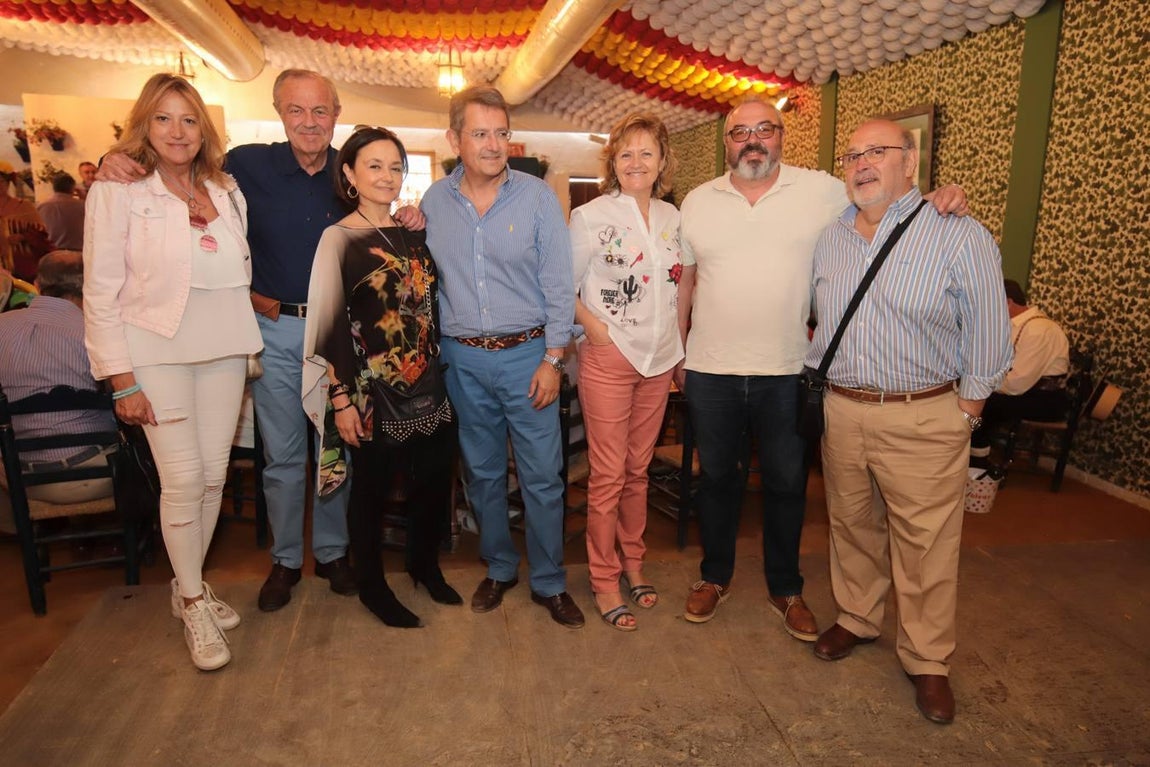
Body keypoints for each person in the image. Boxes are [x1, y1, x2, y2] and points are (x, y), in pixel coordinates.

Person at [98, 70, 424, 611]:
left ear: (336, 115)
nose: (309, 122)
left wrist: (411, 214)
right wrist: (118, 157)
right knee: (284, 455)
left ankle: (334, 552)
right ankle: (286, 560)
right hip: (272, 332)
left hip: (339, 337)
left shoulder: (350, 172)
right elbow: (178, 168)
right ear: (278, 111)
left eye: (320, 111)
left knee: (334, 446)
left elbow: (380, 220)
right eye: (296, 110)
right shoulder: (243, 166)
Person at [677, 98, 968, 639]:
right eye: (740, 132)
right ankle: (713, 577)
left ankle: (786, 587)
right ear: (727, 143)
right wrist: (679, 353)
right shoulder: (696, 201)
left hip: (792, 371)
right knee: (717, 481)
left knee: (789, 484)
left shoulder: (823, 192)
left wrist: (938, 196)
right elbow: (686, 284)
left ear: (783, 136)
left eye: (765, 128)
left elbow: (887, 201)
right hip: (711, 369)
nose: (753, 140)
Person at [806, 118, 1011, 724]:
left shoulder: (957, 233)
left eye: (878, 152)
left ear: (909, 160)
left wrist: (967, 413)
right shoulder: (831, 237)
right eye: (852, 155)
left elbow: (991, 333)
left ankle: (927, 658)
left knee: (927, 546)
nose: (863, 163)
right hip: (842, 411)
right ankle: (858, 618)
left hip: (923, 415)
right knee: (850, 525)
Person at [84, 73, 263, 671]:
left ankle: (189, 581)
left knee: (213, 478)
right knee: (184, 479)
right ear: (144, 125)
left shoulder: (226, 187)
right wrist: (120, 380)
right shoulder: (119, 190)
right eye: (163, 118)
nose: (177, 131)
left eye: (188, 119)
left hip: (226, 349)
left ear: (203, 130)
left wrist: (248, 348)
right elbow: (100, 291)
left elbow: (237, 267)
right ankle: (191, 599)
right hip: (155, 350)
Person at [421, 85, 584, 629]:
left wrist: (553, 358)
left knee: (542, 476)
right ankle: (498, 566)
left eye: (501, 133)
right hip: (463, 360)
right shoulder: (433, 204)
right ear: (454, 139)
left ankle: (549, 581)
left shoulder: (537, 197)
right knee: (483, 474)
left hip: (528, 358)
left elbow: (560, 284)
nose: (493, 144)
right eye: (480, 133)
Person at [302, 126, 458, 628]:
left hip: (428, 382)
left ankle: (423, 567)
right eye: (374, 165)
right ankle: (372, 585)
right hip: (370, 392)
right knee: (370, 493)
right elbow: (327, 325)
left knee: (432, 485)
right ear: (348, 173)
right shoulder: (338, 239)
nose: (386, 176)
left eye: (395, 166)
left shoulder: (411, 231)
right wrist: (342, 400)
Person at [569, 112, 687, 631]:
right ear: (612, 163)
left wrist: (679, 349)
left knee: (639, 471)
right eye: (626, 153)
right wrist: (593, 327)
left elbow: (682, 285)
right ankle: (602, 577)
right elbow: (562, 289)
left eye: (646, 152)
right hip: (610, 359)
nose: (636, 162)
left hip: (659, 360)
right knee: (610, 474)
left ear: (662, 161)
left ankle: (634, 564)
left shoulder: (673, 217)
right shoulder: (591, 216)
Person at [0, 250, 115, 518]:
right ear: (90, 285)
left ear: (38, 285)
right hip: (95, 472)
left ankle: (28, 533)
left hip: (22, 477)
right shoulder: (97, 334)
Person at [969, 278, 1070, 464]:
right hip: (1024, 391)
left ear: (1008, 302)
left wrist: (980, 384)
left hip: (1044, 399)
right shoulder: (1016, 326)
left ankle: (978, 462)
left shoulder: (1040, 330)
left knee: (980, 402)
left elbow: (1017, 383)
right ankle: (970, 451)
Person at [36, 174, 85, 250]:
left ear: (54, 187)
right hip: (78, 252)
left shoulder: (42, 206)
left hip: (52, 251)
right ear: (73, 188)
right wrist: (84, 198)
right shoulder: (83, 205)